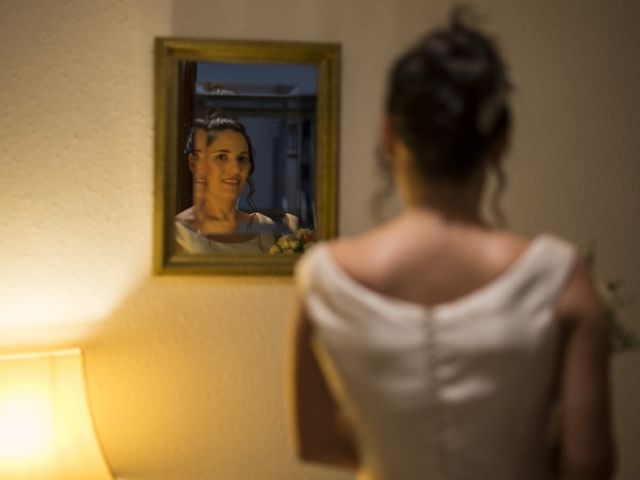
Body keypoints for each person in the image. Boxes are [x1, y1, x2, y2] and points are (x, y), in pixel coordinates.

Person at [290, 8, 615, 480]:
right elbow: (589, 465)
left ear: (389, 135)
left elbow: (314, 441)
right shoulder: (561, 277)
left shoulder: (323, 277)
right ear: (500, 141)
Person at [175, 111, 277, 254]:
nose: (235, 169)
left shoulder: (263, 226)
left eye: (242, 159)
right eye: (222, 157)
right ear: (195, 164)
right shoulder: (177, 233)